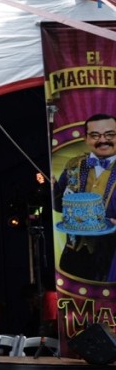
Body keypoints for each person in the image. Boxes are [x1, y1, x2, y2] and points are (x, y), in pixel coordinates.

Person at [52, 113, 116, 281]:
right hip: (75, 252)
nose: (103, 140)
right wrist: (52, 189)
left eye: (110, 134)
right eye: (95, 135)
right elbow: (59, 206)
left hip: (111, 254)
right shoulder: (74, 165)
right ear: (86, 138)